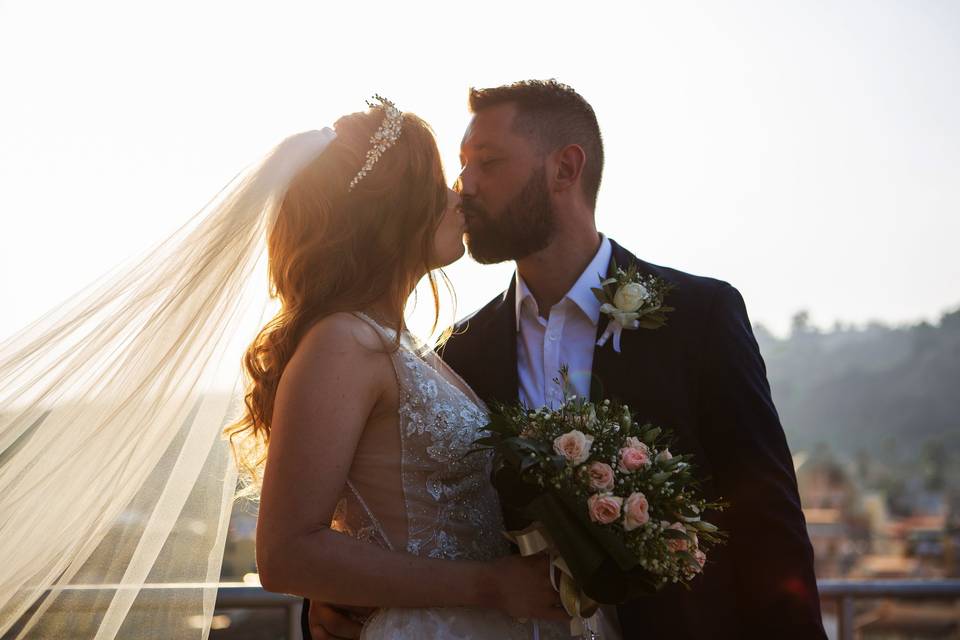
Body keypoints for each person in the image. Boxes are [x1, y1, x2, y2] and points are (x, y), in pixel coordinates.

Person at [0, 99, 570, 639]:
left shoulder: (405, 347)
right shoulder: (343, 344)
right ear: (391, 214)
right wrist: (489, 585)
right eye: (438, 183)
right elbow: (285, 554)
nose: (457, 198)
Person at [306, 80, 827, 639]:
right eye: (462, 166)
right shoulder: (458, 353)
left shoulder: (699, 317)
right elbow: (411, 522)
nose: (465, 188)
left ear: (565, 168)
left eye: (488, 162)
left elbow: (768, 520)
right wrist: (332, 605)